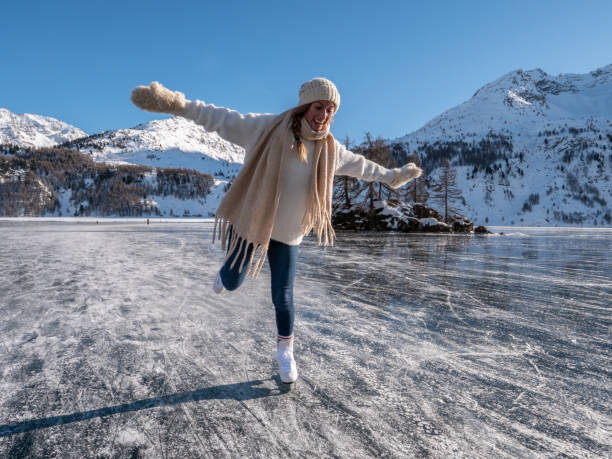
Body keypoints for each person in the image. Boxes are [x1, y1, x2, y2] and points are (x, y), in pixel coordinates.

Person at [130, 78, 422, 384]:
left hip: (289, 235)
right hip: (252, 225)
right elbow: (220, 118)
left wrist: (393, 176)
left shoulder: (330, 149)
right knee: (231, 281)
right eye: (318, 107)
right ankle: (226, 273)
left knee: (283, 296)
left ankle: (285, 351)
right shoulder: (267, 129)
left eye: (330, 109)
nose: (323, 115)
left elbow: (363, 167)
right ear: (305, 106)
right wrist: (176, 104)